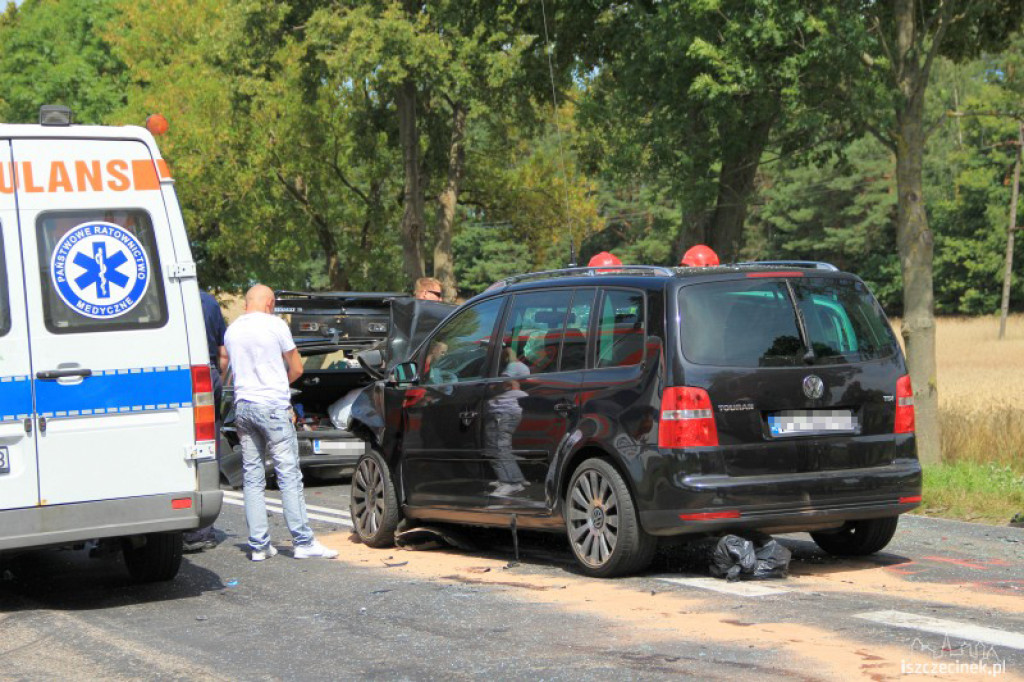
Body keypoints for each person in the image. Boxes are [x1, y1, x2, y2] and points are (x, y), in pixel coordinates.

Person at [224, 284, 338, 561]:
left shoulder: (232, 330)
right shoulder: (275, 325)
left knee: (252, 476)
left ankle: (259, 545)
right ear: (270, 303)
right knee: (288, 474)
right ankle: (303, 541)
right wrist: (279, 385)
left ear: (247, 303)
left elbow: (227, 366)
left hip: (244, 408)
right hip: (272, 408)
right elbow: (297, 368)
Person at [183, 291, 229, 552]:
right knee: (207, 446)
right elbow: (223, 353)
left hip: (175, 373)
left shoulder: (163, 294)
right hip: (208, 373)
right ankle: (203, 531)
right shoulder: (209, 301)